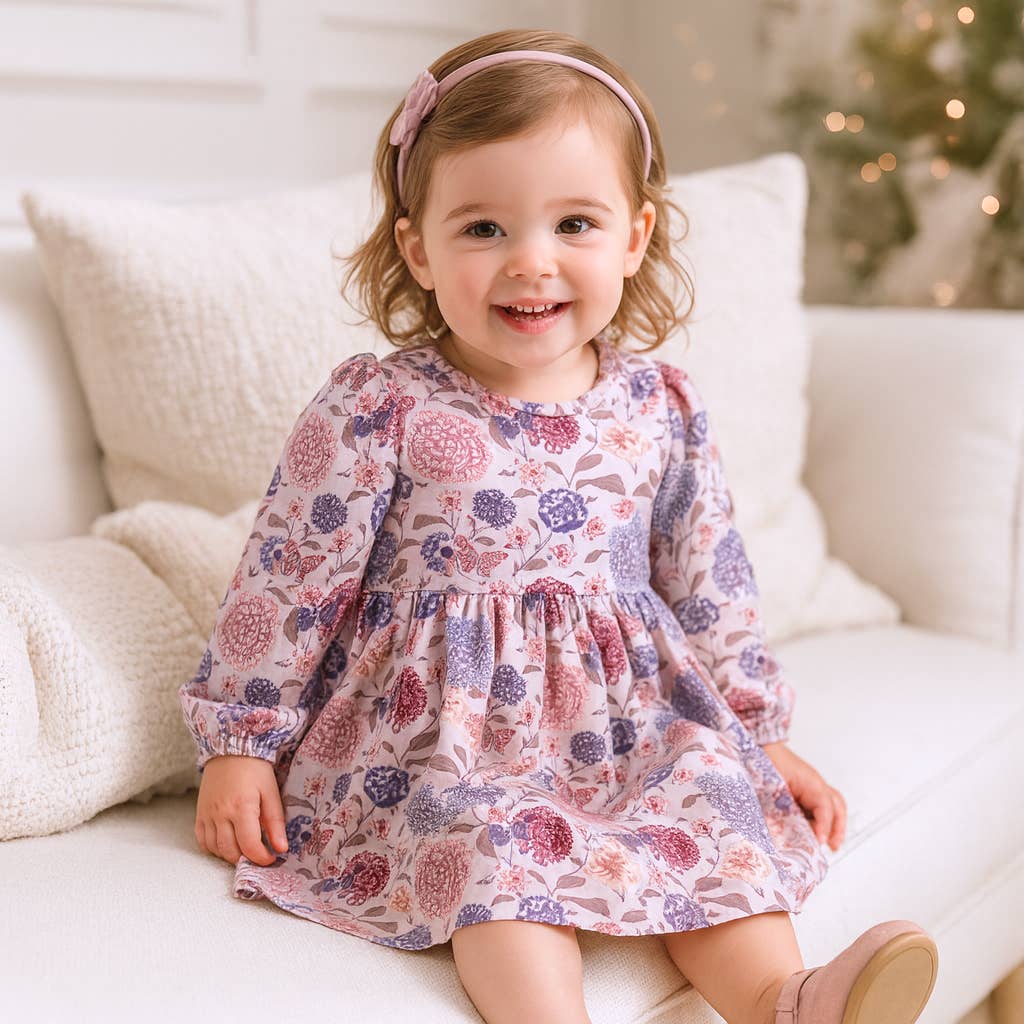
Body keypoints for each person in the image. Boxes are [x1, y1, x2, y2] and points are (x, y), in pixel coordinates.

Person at [178, 28, 939, 1024]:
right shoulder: (380, 405)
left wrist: (757, 733)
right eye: (483, 228)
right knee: (494, 839)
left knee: (706, 791)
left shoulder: (657, 405)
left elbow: (707, 579)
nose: (529, 262)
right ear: (418, 246)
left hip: (623, 720)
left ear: (632, 236)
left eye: (574, 223)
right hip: (435, 735)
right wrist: (240, 738)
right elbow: (290, 575)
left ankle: (783, 1002)